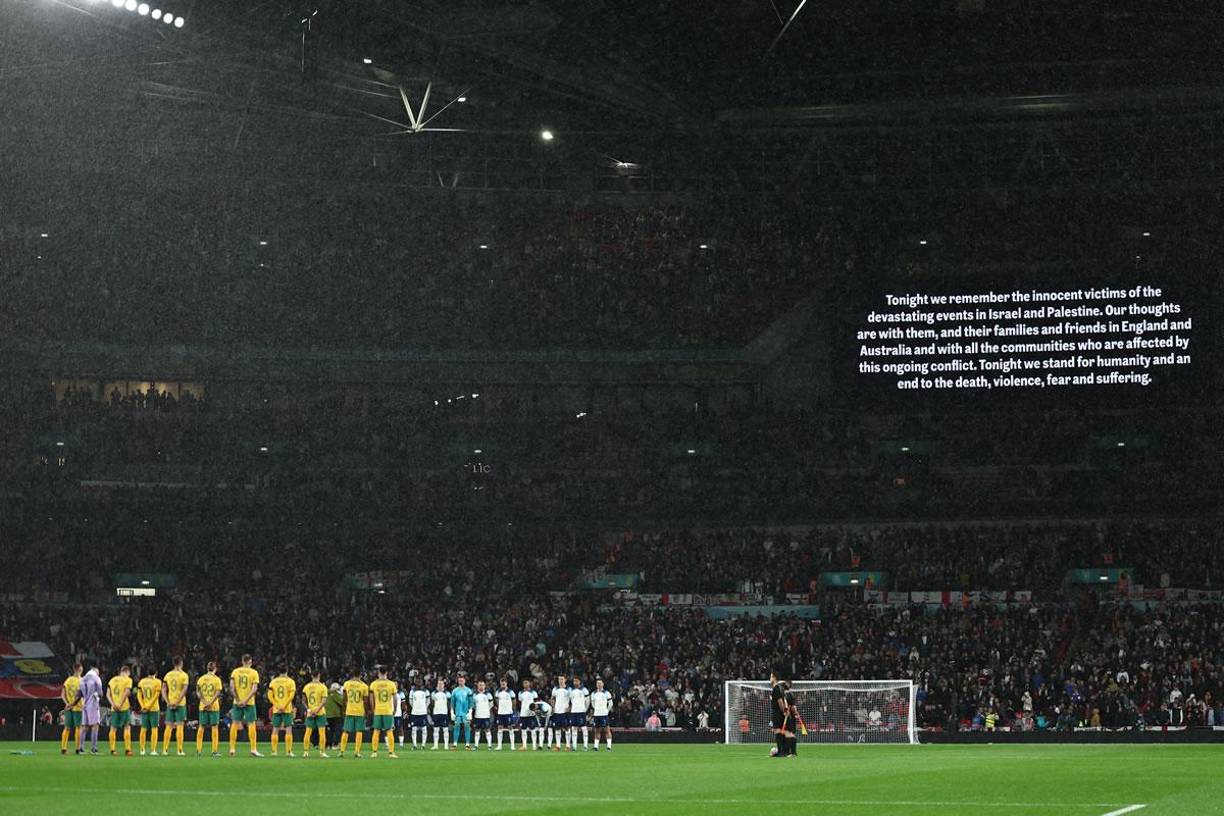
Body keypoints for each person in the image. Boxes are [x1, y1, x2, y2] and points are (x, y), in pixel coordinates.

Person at [228, 654, 262, 757]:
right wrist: (246, 700)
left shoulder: (235, 671)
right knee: (251, 724)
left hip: (237, 702)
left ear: (242, 661)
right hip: (249, 702)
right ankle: (253, 749)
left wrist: (238, 699)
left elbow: (231, 687)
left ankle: (232, 749)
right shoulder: (254, 672)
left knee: (234, 724)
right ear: (250, 661)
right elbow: (254, 689)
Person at [369, 666, 399, 759]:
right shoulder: (391, 684)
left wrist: (373, 709)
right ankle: (391, 753)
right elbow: (395, 699)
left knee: (376, 731)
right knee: (389, 731)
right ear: (386, 673)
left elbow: (371, 698)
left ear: (379, 673)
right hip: (388, 710)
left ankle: (374, 752)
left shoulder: (373, 684)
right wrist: (394, 709)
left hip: (378, 710)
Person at [161, 656, 189, 756]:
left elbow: (163, 689)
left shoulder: (168, 675)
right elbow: (184, 690)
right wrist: (177, 702)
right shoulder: (184, 675)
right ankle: (180, 750)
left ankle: (165, 750)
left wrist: (168, 702)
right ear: (181, 663)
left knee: (168, 726)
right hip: (180, 704)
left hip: (170, 703)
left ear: (173, 663)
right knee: (180, 726)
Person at [339, 669, 370, 758]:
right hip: (360, 711)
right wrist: (367, 712)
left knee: (346, 731)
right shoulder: (364, 686)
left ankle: (341, 751)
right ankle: (357, 752)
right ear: (360, 675)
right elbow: (365, 701)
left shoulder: (347, 684)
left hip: (349, 710)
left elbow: (344, 699)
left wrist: (344, 710)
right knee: (359, 731)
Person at [195, 661, 223, 757]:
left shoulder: (201, 679)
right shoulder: (217, 680)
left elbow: (198, 692)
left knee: (201, 727)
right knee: (214, 727)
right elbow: (218, 693)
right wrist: (210, 702)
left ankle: (198, 750)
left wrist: (204, 701)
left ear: (207, 668)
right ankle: (214, 751)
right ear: (215, 669)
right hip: (213, 706)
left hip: (203, 706)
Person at [267, 666, 297, 756]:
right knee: (288, 730)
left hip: (276, 709)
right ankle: (289, 751)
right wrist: (284, 705)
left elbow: (269, 696)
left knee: (275, 730)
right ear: (287, 671)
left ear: (278, 672)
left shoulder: (273, 682)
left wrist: (276, 705)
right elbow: (292, 696)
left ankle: (274, 751)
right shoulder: (291, 681)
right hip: (287, 709)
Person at [301, 669, 330, 758]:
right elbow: (324, 701)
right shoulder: (323, 687)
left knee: (308, 732)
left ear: (311, 676)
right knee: (322, 733)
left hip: (310, 713)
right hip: (320, 712)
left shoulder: (306, 687)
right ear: (319, 675)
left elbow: (303, 701)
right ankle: (322, 752)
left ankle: (305, 752)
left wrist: (309, 710)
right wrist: (317, 710)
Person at [136, 665, 163, 755]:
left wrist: (143, 706)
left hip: (144, 708)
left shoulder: (142, 682)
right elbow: (156, 696)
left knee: (143, 729)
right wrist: (149, 706)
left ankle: (142, 749)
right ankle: (153, 750)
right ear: (156, 673)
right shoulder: (158, 682)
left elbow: (139, 695)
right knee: (154, 729)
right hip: (154, 708)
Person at [107, 664, 134, 756]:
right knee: (127, 727)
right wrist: (120, 704)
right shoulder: (128, 680)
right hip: (124, 707)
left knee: (113, 728)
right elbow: (127, 692)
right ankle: (127, 749)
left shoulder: (112, 680)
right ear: (127, 672)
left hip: (114, 708)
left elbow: (108, 694)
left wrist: (113, 704)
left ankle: (112, 749)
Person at [77, 663, 103, 755]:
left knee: (84, 727)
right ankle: (94, 748)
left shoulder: (82, 679)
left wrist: (72, 704)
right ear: (96, 671)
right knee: (95, 725)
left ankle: (80, 748)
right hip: (93, 703)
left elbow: (78, 694)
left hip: (84, 704)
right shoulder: (96, 678)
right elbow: (100, 693)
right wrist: (99, 695)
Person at [60, 662, 83, 755]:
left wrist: (67, 704)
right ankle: (77, 749)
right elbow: (79, 695)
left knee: (67, 728)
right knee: (78, 728)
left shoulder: (68, 680)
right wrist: (73, 704)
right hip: (78, 708)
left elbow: (62, 694)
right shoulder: (81, 681)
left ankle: (63, 748)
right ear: (80, 669)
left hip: (68, 708)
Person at [450, 674, 474, 751]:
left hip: (466, 712)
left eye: (462, 680)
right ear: (458, 681)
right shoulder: (454, 691)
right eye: (460, 680)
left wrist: (470, 711)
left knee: (467, 726)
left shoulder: (468, 690)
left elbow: (471, 702)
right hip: (457, 712)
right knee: (456, 726)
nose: (461, 681)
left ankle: (467, 745)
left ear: (465, 681)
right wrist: (452, 712)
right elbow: (452, 702)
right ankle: (455, 744)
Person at [590, 678, 614, 751]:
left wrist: (606, 710)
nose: (599, 685)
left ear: (603, 684)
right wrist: (596, 709)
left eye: (600, 683)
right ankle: (596, 746)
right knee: (597, 730)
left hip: (604, 714)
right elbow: (593, 703)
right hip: (597, 714)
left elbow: (610, 704)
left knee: (607, 729)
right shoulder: (593, 693)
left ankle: (609, 746)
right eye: (598, 683)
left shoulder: (606, 693)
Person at [494, 678, 516, 751]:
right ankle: (499, 746)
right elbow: (496, 700)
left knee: (510, 728)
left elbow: (514, 700)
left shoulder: (510, 691)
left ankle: (512, 745)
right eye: (501, 684)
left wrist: (512, 709)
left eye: (504, 684)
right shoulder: (498, 691)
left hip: (508, 712)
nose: (502, 685)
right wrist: (499, 707)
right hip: (500, 712)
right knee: (500, 728)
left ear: (506, 683)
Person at [471, 679, 494, 750]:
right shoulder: (474, 694)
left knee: (487, 730)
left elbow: (491, 704)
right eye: (480, 685)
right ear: (477, 686)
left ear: (485, 686)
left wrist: (486, 710)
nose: (481, 686)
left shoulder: (488, 694)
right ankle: (476, 746)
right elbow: (473, 705)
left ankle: (489, 746)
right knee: (477, 731)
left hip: (486, 715)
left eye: (482, 685)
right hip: (477, 715)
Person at [569, 675, 590, 751]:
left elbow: (588, 701)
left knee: (584, 728)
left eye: (577, 681)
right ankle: (574, 746)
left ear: (580, 682)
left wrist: (585, 709)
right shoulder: (572, 691)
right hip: (574, 711)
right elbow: (571, 701)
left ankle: (585, 746)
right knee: (574, 728)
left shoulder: (584, 690)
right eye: (574, 681)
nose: (575, 682)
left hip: (581, 712)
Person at [769, 670, 787, 758]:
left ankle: (781, 752)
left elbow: (780, 701)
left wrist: (784, 711)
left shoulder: (776, 688)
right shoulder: (778, 688)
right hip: (777, 713)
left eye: (771, 676)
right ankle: (782, 751)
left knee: (778, 733)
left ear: (774, 678)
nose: (770, 678)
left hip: (777, 714)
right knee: (779, 733)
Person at [516, 678, 538, 751]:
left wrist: (535, 710)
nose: (525, 684)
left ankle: (534, 746)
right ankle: (524, 746)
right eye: (524, 683)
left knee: (533, 729)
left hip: (531, 714)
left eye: (526, 683)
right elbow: (520, 702)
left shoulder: (533, 692)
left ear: (529, 683)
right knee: (523, 729)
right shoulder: (520, 693)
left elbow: (536, 702)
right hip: (523, 714)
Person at [550, 674, 571, 751]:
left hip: (565, 711)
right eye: (559, 679)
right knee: (557, 728)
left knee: (566, 728)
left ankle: (568, 746)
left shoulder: (569, 689)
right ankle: (558, 746)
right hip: (557, 711)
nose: (560, 681)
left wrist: (569, 707)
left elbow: (572, 699)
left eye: (562, 679)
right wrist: (553, 706)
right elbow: (552, 698)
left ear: (565, 680)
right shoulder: (555, 689)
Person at [408, 681, 430, 750]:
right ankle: (415, 745)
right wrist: (415, 707)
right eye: (418, 682)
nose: (419, 684)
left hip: (423, 713)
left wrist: (424, 708)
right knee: (414, 729)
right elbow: (410, 701)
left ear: (422, 684)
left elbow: (428, 701)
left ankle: (423, 745)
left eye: (420, 682)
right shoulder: (412, 691)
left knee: (424, 729)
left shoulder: (426, 691)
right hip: (414, 713)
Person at [430, 678, 450, 750]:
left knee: (445, 729)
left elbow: (449, 704)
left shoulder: (447, 693)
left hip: (444, 713)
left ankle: (446, 745)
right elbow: (432, 704)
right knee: (436, 729)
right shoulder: (433, 693)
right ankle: (435, 745)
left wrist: (448, 711)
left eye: (441, 684)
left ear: (444, 685)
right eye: (439, 684)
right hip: (436, 713)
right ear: (437, 685)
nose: (440, 685)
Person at [394, 683, 406, 748]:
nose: (395, 685)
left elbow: (403, 704)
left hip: (398, 714)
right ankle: (387, 744)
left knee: (400, 728)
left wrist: (403, 711)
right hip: (390, 714)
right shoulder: (389, 692)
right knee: (388, 728)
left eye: (396, 684)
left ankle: (401, 744)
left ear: (398, 685)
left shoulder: (401, 693)